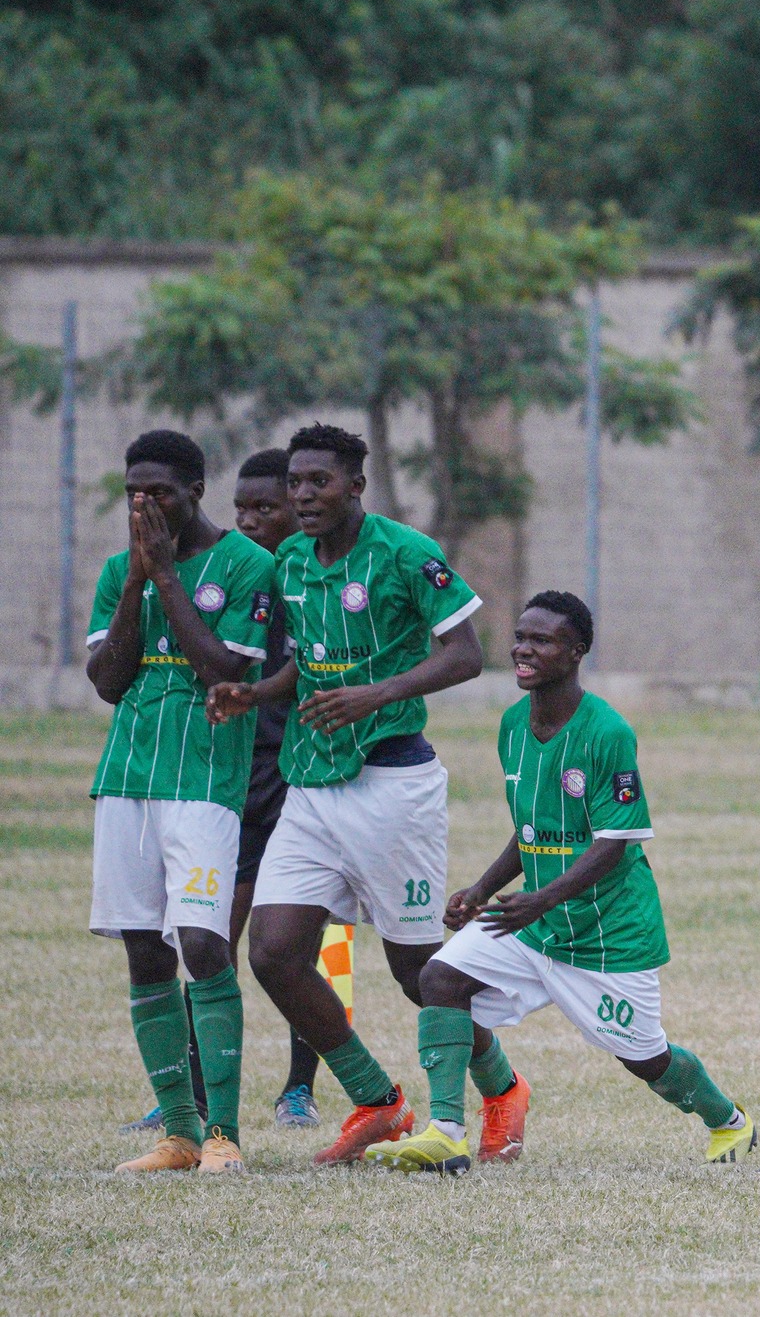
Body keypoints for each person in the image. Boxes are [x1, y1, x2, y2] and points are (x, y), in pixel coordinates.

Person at [366, 592, 756, 1173]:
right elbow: (531, 830)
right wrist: (480, 889)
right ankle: (446, 1132)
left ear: (575, 653)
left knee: (645, 1059)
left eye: (541, 640)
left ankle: (729, 1120)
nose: (523, 649)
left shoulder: (609, 733)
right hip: (533, 923)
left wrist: (541, 898)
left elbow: (614, 840)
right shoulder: (512, 726)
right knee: (440, 979)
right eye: (520, 637)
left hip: (607, 934)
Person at [208, 422, 506, 1167]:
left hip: (392, 784)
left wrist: (378, 693)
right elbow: (304, 667)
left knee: (417, 972)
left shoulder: (408, 553)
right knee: (273, 954)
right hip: (312, 788)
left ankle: (501, 1087)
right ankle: (378, 1100)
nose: (303, 494)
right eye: (296, 483)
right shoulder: (291, 562)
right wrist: (257, 693)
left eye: (319, 481)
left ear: (356, 485)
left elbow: (467, 653)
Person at [88, 430, 275, 1174]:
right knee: (144, 947)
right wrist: (136, 579)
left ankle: (224, 1132)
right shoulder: (115, 570)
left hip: (205, 777)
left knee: (201, 942)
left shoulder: (248, 564)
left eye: (159, 490)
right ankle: (178, 1132)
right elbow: (107, 678)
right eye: (134, 489)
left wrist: (166, 577)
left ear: (195, 489)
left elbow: (224, 668)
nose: (144, 502)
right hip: (128, 773)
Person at [226, 447, 347, 1130]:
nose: (250, 521)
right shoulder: (232, 584)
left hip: (306, 784)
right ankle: (191, 1088)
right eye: (240, 509)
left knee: (303, 947)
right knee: (213, 939)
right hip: (239, 783)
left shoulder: (315, 581)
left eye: (264, 508)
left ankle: (300, 1087)